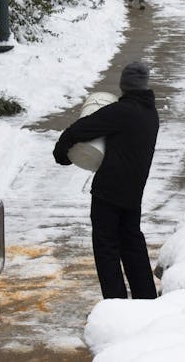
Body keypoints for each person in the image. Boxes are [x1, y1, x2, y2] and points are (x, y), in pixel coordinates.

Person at [52, 62, 159, 300]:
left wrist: (62, 153)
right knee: (132, 246)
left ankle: (116, 302)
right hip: (133, 193)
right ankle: (147, 299)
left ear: (125, 85)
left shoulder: (122, 112)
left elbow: (80, 129)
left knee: (106, 250)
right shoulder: (150, 113)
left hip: (109, 193)